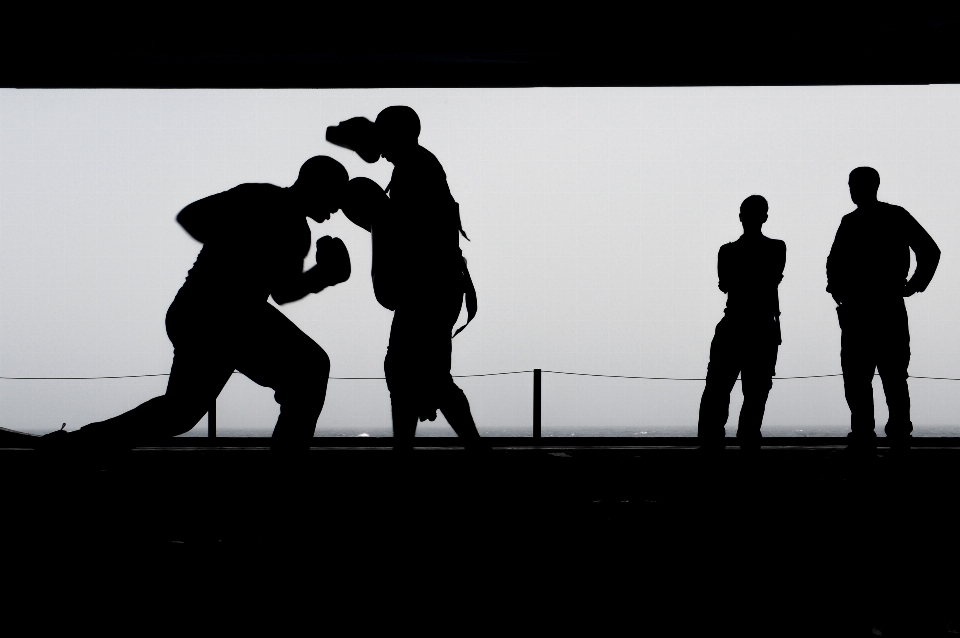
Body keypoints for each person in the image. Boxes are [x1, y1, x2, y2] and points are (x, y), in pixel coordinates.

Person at [42, 156, 352, 450]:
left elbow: (283, 292)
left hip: (222, 317)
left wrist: (321, 276)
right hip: (214, 314)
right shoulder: (260, 198)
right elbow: (191, 217)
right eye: (334, 195)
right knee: (309, 370)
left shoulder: (298, 231)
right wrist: (236, 251)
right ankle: (75, 446)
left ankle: (75, 446)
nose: (337, 207)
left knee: (180, 413)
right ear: (316, 185)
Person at [329, 106, 481, 447]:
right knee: (413, 373)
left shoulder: (416, 169)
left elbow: (404, 231)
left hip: (428, 289)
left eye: (384, 137)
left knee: (415, 374)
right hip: (432, 287)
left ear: (397, 135)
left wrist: (361, 200)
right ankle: (432, 449)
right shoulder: (414, 166)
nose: (380, 147)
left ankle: (444, 450)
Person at [826, 167, 940, 450]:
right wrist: (839, 293)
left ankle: (875, 432)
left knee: (875, 377)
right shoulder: (863, 220)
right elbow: (833, 263)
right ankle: (885, 432)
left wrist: (914, 285)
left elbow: (930, 251)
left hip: (874, 310)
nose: (851, 190)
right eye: (850, 184)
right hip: (875, 310)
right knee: (876, 378)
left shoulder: (882, 217)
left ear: (870, 186)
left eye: (854, 185)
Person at [698, 195, 786, 450]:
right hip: (758, 326)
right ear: (765, 218)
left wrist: (743, 279)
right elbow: (767, 279)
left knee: (722, 388)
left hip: (739, 324)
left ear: (741, 217)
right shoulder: (775, 248)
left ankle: (714, 441)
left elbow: (727, 283)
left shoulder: (729, 251)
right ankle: (743, 438)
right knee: (752, 391)